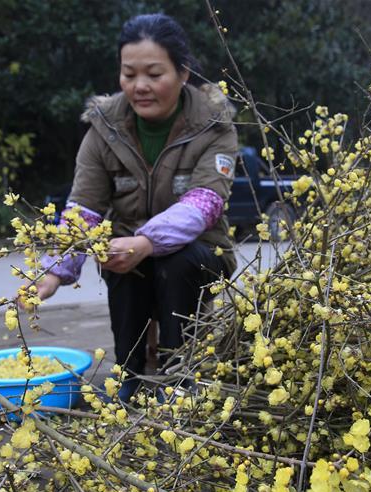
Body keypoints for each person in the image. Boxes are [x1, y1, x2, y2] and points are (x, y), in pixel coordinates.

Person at [35, 13, 238, 400]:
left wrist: (146, 243)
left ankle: (180, 375)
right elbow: (84, 207)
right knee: (119, 258)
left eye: (154, 74)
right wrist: (54, 272)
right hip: (130, 250)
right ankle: (128, 375)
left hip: (200, 253)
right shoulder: (104, 128)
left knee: (177, 261)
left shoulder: (214, 126)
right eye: (129, 74)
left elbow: (204, 203)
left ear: (183, 73)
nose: (140, 86)